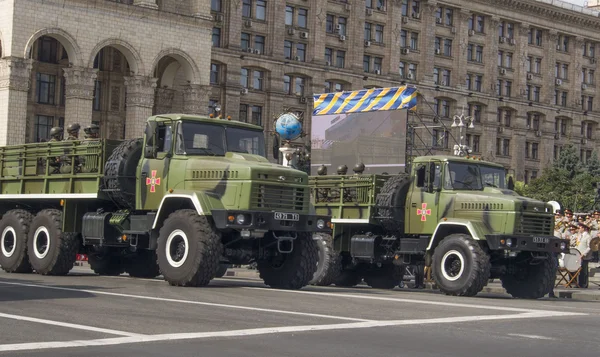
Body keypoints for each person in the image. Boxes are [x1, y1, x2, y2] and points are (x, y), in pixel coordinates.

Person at [575, 222, 593, 288]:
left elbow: (590, 246)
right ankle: (579, 283)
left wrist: (584, 254)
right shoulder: (580, 235)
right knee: (579, 270)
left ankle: (584, 284)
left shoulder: (588, 236)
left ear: (583, 228)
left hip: (584, 256)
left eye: (580, 227)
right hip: (579, 255)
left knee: (584, 271)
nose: (579, 229)